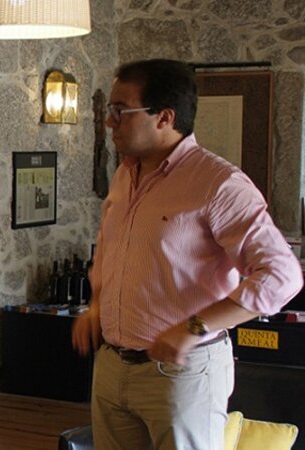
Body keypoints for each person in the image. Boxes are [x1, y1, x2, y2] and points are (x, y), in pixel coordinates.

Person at [71, 59, 302, 450]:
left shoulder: (219, 184)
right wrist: (96, 306)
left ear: (164, 117)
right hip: (111, 364)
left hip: (182, 372)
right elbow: (111, 248)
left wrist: (194, 327)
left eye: (120, 111)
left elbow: (282, 276)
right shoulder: (125, 174)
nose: (109, 122)